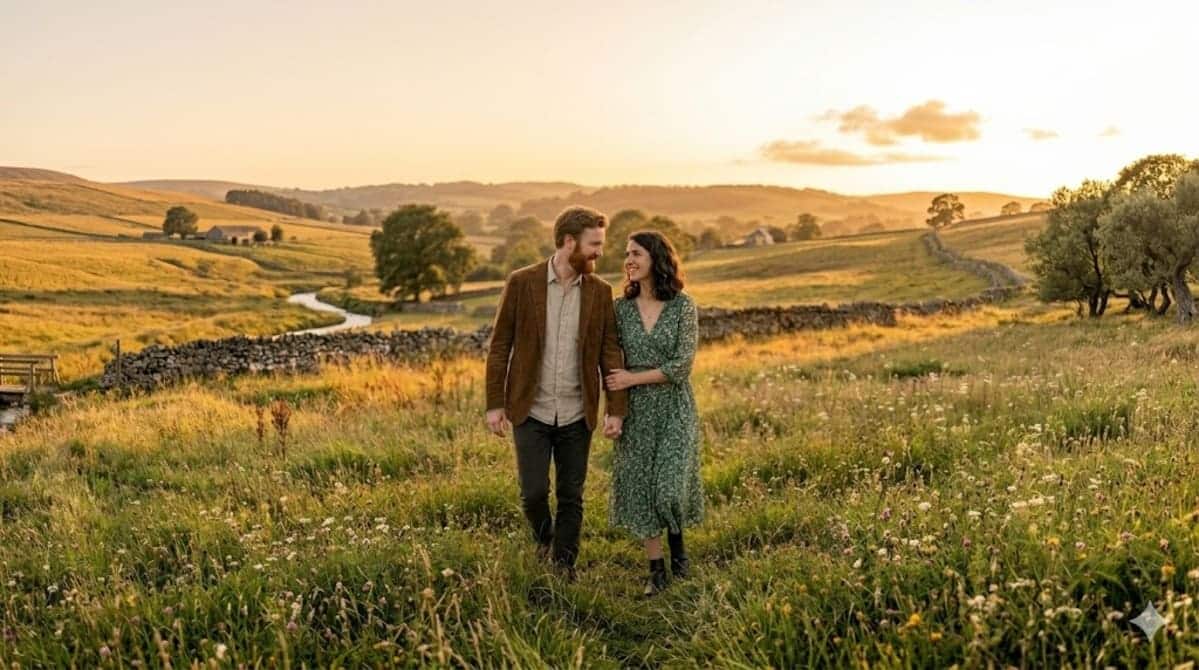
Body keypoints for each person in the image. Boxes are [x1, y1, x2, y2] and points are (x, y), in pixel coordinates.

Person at [485, 206, 627, 578]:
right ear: (568, 242)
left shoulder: (600, 292)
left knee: (571, 496)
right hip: (530, 409)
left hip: (578, 413)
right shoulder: (522, 282)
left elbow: (610, 352)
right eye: (593, 244)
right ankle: (546, 541)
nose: (599, 252)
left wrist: (616, 409)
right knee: (533, 493)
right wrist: (494, 404)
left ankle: (564, 567)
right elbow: (500, 346)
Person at [604, 230, 704, 596]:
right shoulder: (620, 309)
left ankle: (679, 549)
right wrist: (613, 409)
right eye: (626, 254)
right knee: (642, 490)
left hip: (675, 408)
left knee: (668, 488)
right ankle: (658, 569)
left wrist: (633, 378)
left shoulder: (683, 306)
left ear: (656, 259)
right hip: (636, 412)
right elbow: (610, 362)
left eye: (637, 254)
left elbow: (681, 366)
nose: (629, 260)